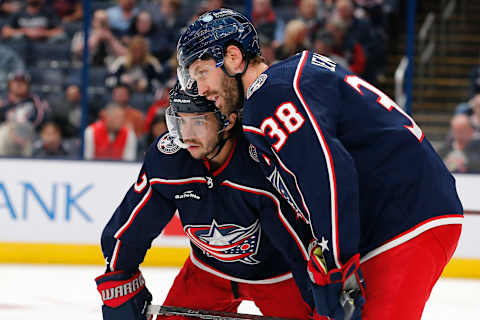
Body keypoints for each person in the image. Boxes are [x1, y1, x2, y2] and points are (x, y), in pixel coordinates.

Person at [177, 8, 464, 320]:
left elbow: (327, 171)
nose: (201, 89)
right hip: (397, 216)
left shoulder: (269, 95)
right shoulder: (286, 82)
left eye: (202, 72)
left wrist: (336, 264)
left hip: (405, 218)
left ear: (233, 58)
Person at [95, 85, 315, 320]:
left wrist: (318, 294)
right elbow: (132, 226)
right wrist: (119, 280)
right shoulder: (169, 160)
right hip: (206, 273)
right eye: (181, 121)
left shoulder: (258, 163)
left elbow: (296, 243)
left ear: (228, 121)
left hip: (279, 277)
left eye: (199, 122)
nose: (187, 134)